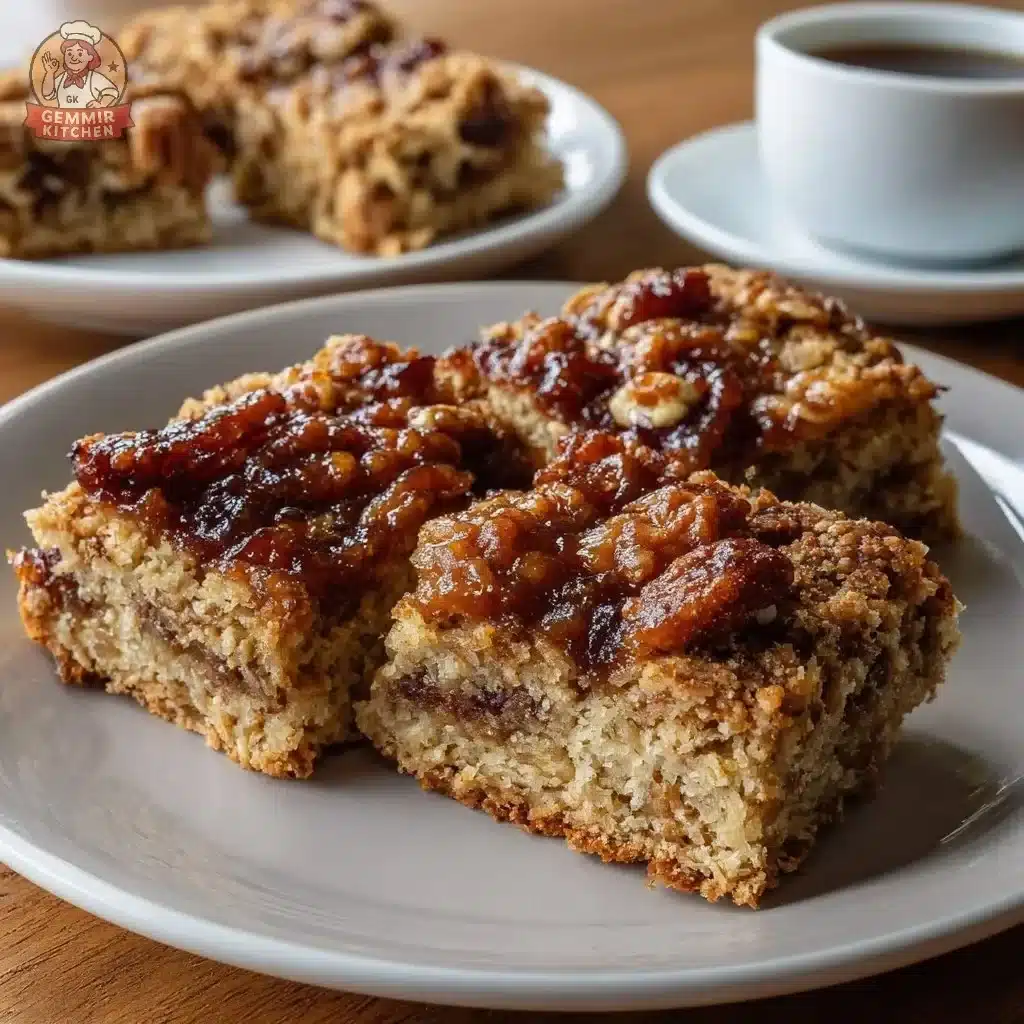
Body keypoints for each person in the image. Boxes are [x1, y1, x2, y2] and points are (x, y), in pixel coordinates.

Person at [39, 21, 119, 109]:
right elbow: (48, 95)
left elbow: (112, 92)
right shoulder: (62, 77)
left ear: (90, 57)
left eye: (80, 54)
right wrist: (49, 73)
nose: (74, 58)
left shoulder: (95, 78)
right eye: (69, 54)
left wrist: (101, 104)